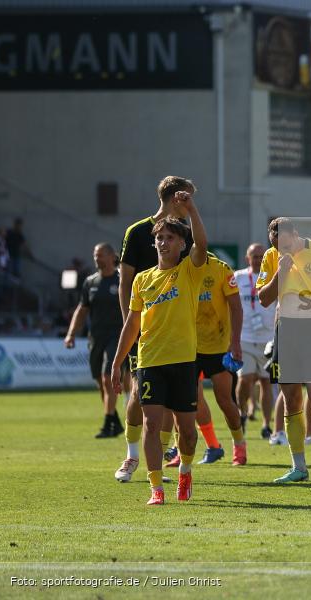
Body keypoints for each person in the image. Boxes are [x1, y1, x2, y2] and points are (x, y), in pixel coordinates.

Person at [110, 187, 207, 505]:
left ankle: (186, 471)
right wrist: (117, 362)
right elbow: (132, 324)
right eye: (159, 238)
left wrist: (191, 210)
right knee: (151, 423)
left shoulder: (189, 271)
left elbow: (202, 245)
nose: (163, 243)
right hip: (150, 359)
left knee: (187, 432)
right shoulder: (142, 280)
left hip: (183, 361)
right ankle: (156, 488)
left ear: (182, 244)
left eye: (169, 238)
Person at [257, 217, 311, 483]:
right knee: (291, 399)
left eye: (283, 244)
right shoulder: (272, 257)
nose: (279, 250)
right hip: (286, 332)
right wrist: (279, 274)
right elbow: (264, 299)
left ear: (295, 234)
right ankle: (299, 466)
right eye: (275, 246)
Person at [169, 252, 246, 466]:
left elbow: (236, 307)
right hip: (189, 348)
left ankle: (239, 445)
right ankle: (208, 447)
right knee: (186, 401)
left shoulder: (221, 268)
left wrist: (235, 342)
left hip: (218, 347)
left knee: (225, 400)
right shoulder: (179, 268)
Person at [64, 243, 125, 438]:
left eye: (100, 255)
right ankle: (114, 420)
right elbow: (82, 310)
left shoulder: (122, 279)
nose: (97, 258)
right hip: (96, 337)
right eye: (95, 255)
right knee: (100, 382)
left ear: (110, 256)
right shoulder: (90, 282)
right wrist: (71, 333)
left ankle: (108, 424)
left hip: (117, 336)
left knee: (108, 378)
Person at [234, 243, 276, 440]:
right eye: (255, 256)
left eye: (261, 256)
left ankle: (267, 424)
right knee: (245, 379)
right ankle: (242, 412)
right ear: (247, 258)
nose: (258, 259)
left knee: (267, 383)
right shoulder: (238, 277)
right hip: (245, 337)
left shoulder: (273, 276)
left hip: (268, 338)